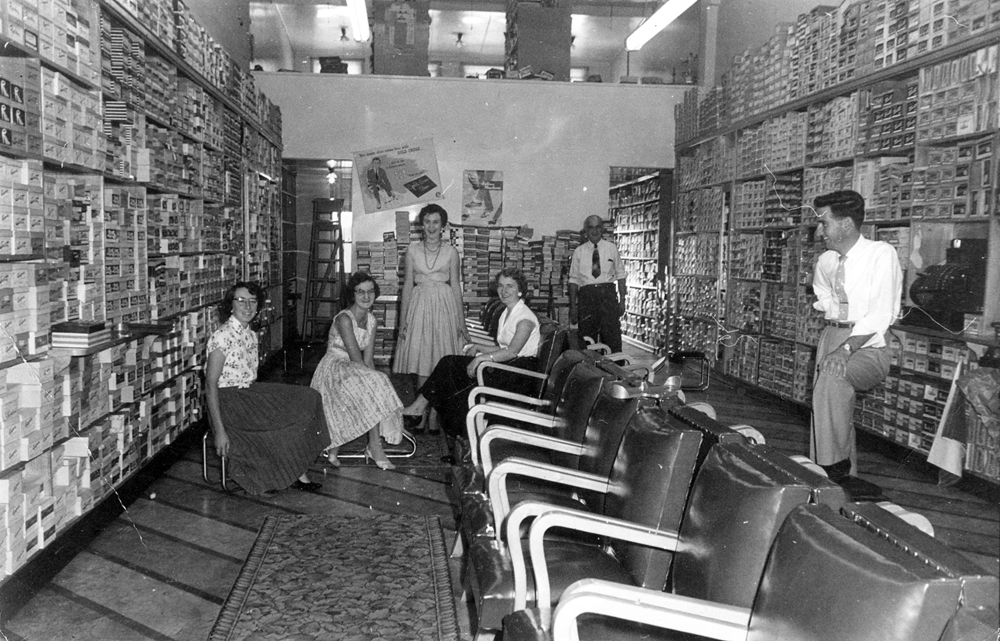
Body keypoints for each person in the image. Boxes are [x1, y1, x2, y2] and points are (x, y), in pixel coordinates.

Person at [810, 190, 902, 483]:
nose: (819, 230)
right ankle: (833, 482)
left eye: (824, 223)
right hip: (832, 336)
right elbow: (822, 291)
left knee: (831, 381)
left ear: (847, 224)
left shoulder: (881, 254)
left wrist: (845, 347)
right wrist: (833, 310)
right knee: (827, 408)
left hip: (868, 346)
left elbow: (880, 314)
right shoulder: (826, 261)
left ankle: (831, 472)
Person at [205, 282, 329, 494]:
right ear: (230, 305)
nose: (247, 306)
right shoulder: (222, 336)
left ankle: (295, 469)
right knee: (288, 413)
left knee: (309, 398)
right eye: (241, 301)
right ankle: (286, 474)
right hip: (229, 402)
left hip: (247, 393)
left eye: (252, 302)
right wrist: (219, 431)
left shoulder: (250, 334)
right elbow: (210, 386)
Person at [401, 267, 540, 442]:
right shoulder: (508, 311)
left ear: (520, 290)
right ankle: (452, 426)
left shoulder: (525, 318)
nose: (504, 291)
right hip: (509, 366)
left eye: (510, 286)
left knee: (450, 366)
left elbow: (512, 351)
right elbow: (503, 348)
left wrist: (483, 357)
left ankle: (424, 410)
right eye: (501, 286)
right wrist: (479, 347)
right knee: (450, 365)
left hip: (519, 375)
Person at [311, 271, 404, 470]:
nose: (366, 296)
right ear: (352, 294)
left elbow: (368, 360)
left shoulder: (372, 321)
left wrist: (376, 379)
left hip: (353, 369)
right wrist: (374, 381)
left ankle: (372, 445)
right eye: (360, 292)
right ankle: (374, 446)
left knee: (377, 380)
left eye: (370, 292)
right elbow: (355, 358)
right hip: (334, 369)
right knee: (373, 383)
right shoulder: (345, 319)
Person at [393, 204, 469, 429]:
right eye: (427, 222)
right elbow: (407, 286)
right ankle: (422, 412)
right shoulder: (412, 251)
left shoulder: (451, 252)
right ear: (421, 225)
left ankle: (435, 414)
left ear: (443, 225)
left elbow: (456, 286)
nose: (431, 226)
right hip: (419, 305)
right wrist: (402, 320)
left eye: (436, 222)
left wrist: (461, 322)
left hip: (444, 306)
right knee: (422, 359)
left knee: (440, 358)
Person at [568, 215, 627, 353]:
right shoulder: (579, 252)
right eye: (590, 227)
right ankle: (590, 372)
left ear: (602, 229)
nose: (594, 231)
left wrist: (623, 300)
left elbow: (621, 275)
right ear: (586, 231)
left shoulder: (611, 248)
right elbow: (573, 280)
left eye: (597, 227)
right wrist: (573, 307)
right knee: (587, 338)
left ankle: (615, 371)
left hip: (608, 296)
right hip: (587, 298)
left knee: (612, 337)